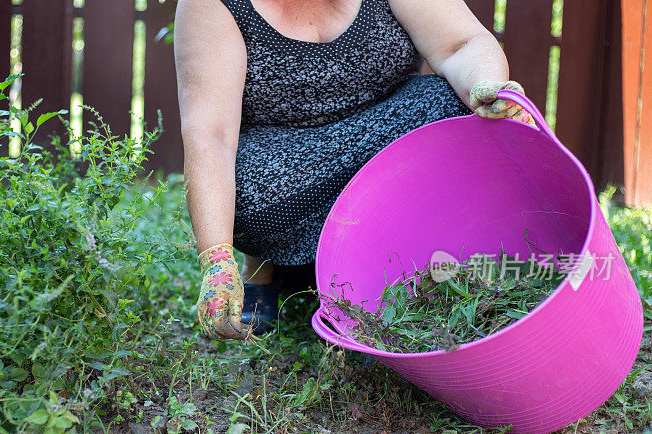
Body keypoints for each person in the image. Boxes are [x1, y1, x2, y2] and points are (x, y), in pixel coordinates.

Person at [174, 0, 534, 340]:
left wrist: (484, 86)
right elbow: (212, 135)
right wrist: (215, 256)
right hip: (290, 161)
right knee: (246, 194)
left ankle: (380, 276)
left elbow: (460, 44)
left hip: (386, 138)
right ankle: (264, 265)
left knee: (450, 106)